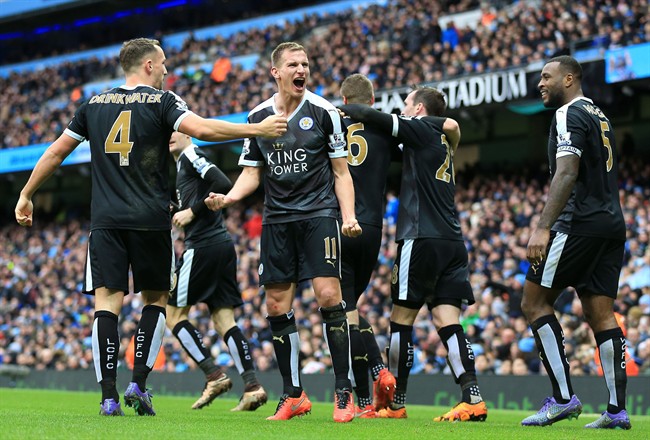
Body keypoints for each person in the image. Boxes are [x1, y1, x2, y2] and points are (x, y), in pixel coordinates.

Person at [14, 37, 286, 417]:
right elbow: (203, 130)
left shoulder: (92, 105)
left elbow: (57, 150)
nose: (166, 71)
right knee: (156, 301)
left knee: (106, 305)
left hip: (106, 222)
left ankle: (108, 398)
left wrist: (27, 193)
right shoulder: (163, 101)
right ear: (147, 66)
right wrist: (256, 131)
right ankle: (138, 385)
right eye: (163, 64)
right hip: (150, 221)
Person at [205, 41, 361, 423]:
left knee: (328, 295)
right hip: (277, 219)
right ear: (276, 72)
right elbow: (251, 174)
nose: (301, 69)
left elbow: (342, 172)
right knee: (276, 305)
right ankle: (294, 395)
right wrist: (228, 199)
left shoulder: (325, 112)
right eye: (293, 64)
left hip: (319, 214)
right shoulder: (258, 117)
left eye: (305, 64)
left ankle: (345, 392)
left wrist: (349, 215)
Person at [340, 87, 488, 422]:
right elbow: (449, 125)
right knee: (447, 320)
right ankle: (473, 397)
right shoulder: (444, 140)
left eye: (406, 105)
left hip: (420, 237)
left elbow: (367, 114)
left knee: (401, 320)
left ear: (419, 108)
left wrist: (332, 110)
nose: (401, 110)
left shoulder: (420, 128)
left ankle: (396, 404)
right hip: (452, 241)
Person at [520, 55, 631, 430]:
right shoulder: (599, 114)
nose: (541, 83)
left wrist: (542, 226)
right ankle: (616, 410)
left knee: (534, 302)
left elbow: (567, 172)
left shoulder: (567, 114)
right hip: (611, 224)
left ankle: (563, 399)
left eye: (547, 77)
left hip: (577, 223)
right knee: (600, 314)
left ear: (569, 79)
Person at [168, 131, 267, 411]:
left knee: (173, 315)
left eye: (175, 130)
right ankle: (252, 386)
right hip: (221, 246)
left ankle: (214, 376)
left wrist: (192, 212)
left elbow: (222, 182)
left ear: (188, 132)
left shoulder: (192, 155)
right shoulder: (182, 164)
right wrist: (180, 208)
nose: (170, 137)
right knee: (224, 320)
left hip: (202, 247)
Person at [339, 73, 400, 418]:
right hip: (373, 226)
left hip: (341, 221)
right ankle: (370, 392)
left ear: (345, 101)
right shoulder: (384, 128)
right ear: (373, 103)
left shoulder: (334, 125)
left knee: (342, 310)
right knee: (352, 307)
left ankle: (369, 382)